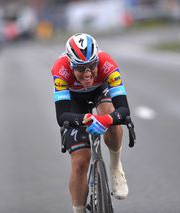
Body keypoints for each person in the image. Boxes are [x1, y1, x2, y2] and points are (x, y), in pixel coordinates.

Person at [51, 33, 133, 213]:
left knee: (109, 112)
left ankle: (115, 166)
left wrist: (105, 120)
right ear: (71, 66)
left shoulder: (107, 63)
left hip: (99, 92)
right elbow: (62, 116)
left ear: (97, 60)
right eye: (81, 68)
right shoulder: (60, 69)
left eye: (92, 66)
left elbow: (124, 111)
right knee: (80, 160)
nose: (88, 73)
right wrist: (84, 119)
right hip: (74, 99)